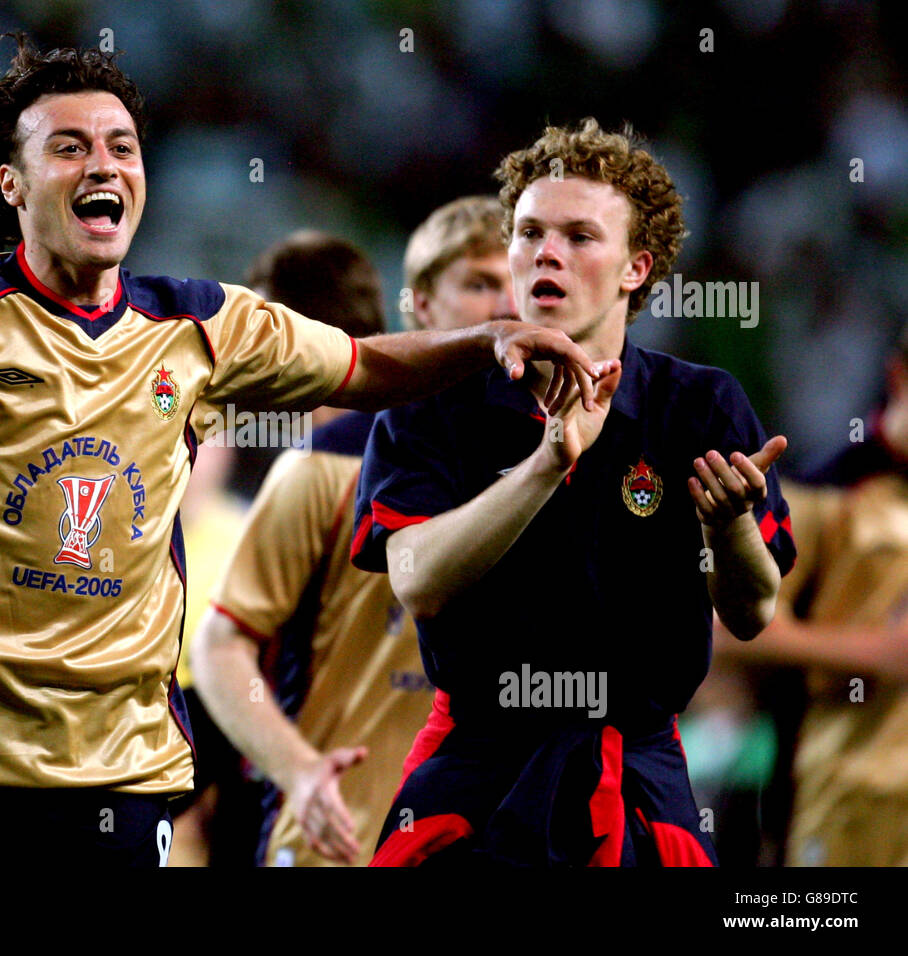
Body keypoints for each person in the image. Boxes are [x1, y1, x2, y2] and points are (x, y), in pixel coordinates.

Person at [0, 38, 599, 868]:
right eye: (69, 148)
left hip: (117, 781)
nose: (103, 165)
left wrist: (487, 339)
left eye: (122, 147)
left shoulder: (200, 326)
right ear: (11, 184)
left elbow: (365, 365)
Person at [352, 119, 796, 867]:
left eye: (580, 236)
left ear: (635, 268)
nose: (545, 253)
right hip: (477, 763)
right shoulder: (433, 402)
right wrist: (546, 463)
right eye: (529, 233)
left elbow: (752, 614)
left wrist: (727, 530)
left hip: (636, 768)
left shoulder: (700, 406)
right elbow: (417, 582)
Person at [191, 199, 514, 866]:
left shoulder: (553, 463)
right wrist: (299, 769)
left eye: (518, 285)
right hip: (339, 842)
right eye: (481, 283)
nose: (506, 307)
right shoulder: (325, 467)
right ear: (420, 306)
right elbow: (220, 646)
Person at [713, 322, 908, 865]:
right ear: (899, 377)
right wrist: (882, 654)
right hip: (838, 804)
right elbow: (725, 633)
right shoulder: (824, 491)